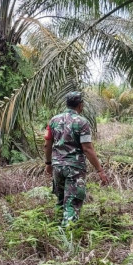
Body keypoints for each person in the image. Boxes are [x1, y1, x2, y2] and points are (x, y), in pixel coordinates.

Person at [44, 91, 109, 226]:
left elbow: (47, 144)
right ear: (80, 105)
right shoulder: (82, 122)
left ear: (66, 104)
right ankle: (67, 238)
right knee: (72, 203)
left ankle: (55, 232)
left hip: (57, 167)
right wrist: (100, 170)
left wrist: (48, 163)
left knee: (61, 201)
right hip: (74, 168)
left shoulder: (53, 121)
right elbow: (87, 148)